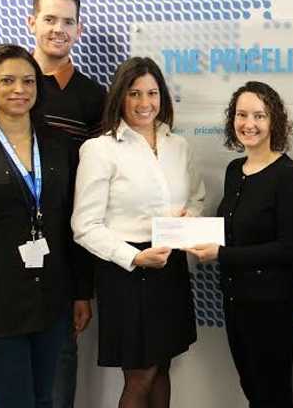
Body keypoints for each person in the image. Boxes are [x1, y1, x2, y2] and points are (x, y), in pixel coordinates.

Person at [0, 0, 107, 407]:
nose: (19, 89)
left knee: (53, 398)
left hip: (54, 293)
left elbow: (75, 214)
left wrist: (82, 291)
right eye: (7, 81)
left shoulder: (68, 133)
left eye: (27, 82)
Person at [71, 57, 204, 407]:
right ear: (120, 96)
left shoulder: (178, 146)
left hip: (169, 267)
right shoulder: (100, 149)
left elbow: (196, 197)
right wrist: (134, 256)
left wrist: (189, 216)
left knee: (162, 366)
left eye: (152, 93)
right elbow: (84, 226)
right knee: (140, 374)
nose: (145, 103)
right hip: (127, 273)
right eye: (134, 93)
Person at [187, 81, 293, 408]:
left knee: (272, 393)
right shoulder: (233, 171)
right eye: (242, 114)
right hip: (235, 300)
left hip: (273, 305)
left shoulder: (289, 175)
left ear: (274, 122)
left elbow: (289, 248)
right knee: (251, 387)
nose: (249, 123)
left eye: (259, 115)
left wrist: (221, 254)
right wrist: (187, 225)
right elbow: (232, 229)